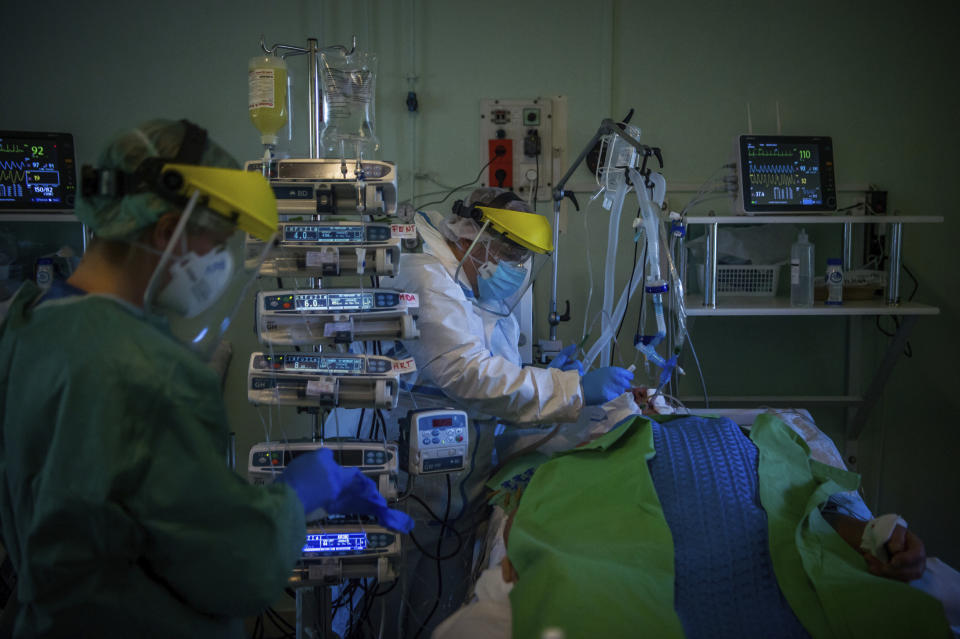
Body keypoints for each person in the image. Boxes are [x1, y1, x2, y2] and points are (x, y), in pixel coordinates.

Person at [0, 119, 411, 638]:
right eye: (219, 243)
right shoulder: (152, 371)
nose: (223, 263)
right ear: (170, 232)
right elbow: (241, 569)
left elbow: (118, 504)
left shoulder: (27, 326)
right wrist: (299, 496)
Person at [364, 188, 633, 635]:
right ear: (481, 242)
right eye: (513, 259)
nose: (517, 271)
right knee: (414, 579)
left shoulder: (467, 273)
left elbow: (485, 355)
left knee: (446, 574)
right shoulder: (427, 277)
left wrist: (539, 372)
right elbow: (468, 373)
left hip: (462, 449)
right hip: (426, 456)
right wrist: (572, 389)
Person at [434, 410, 959, 639]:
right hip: (626, 551)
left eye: (649, 400)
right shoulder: (576, 456)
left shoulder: (747, 440)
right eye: (636, 401)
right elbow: (526, 522)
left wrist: (881, 535)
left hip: (759, 551)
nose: (647, 399)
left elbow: (810, 508)